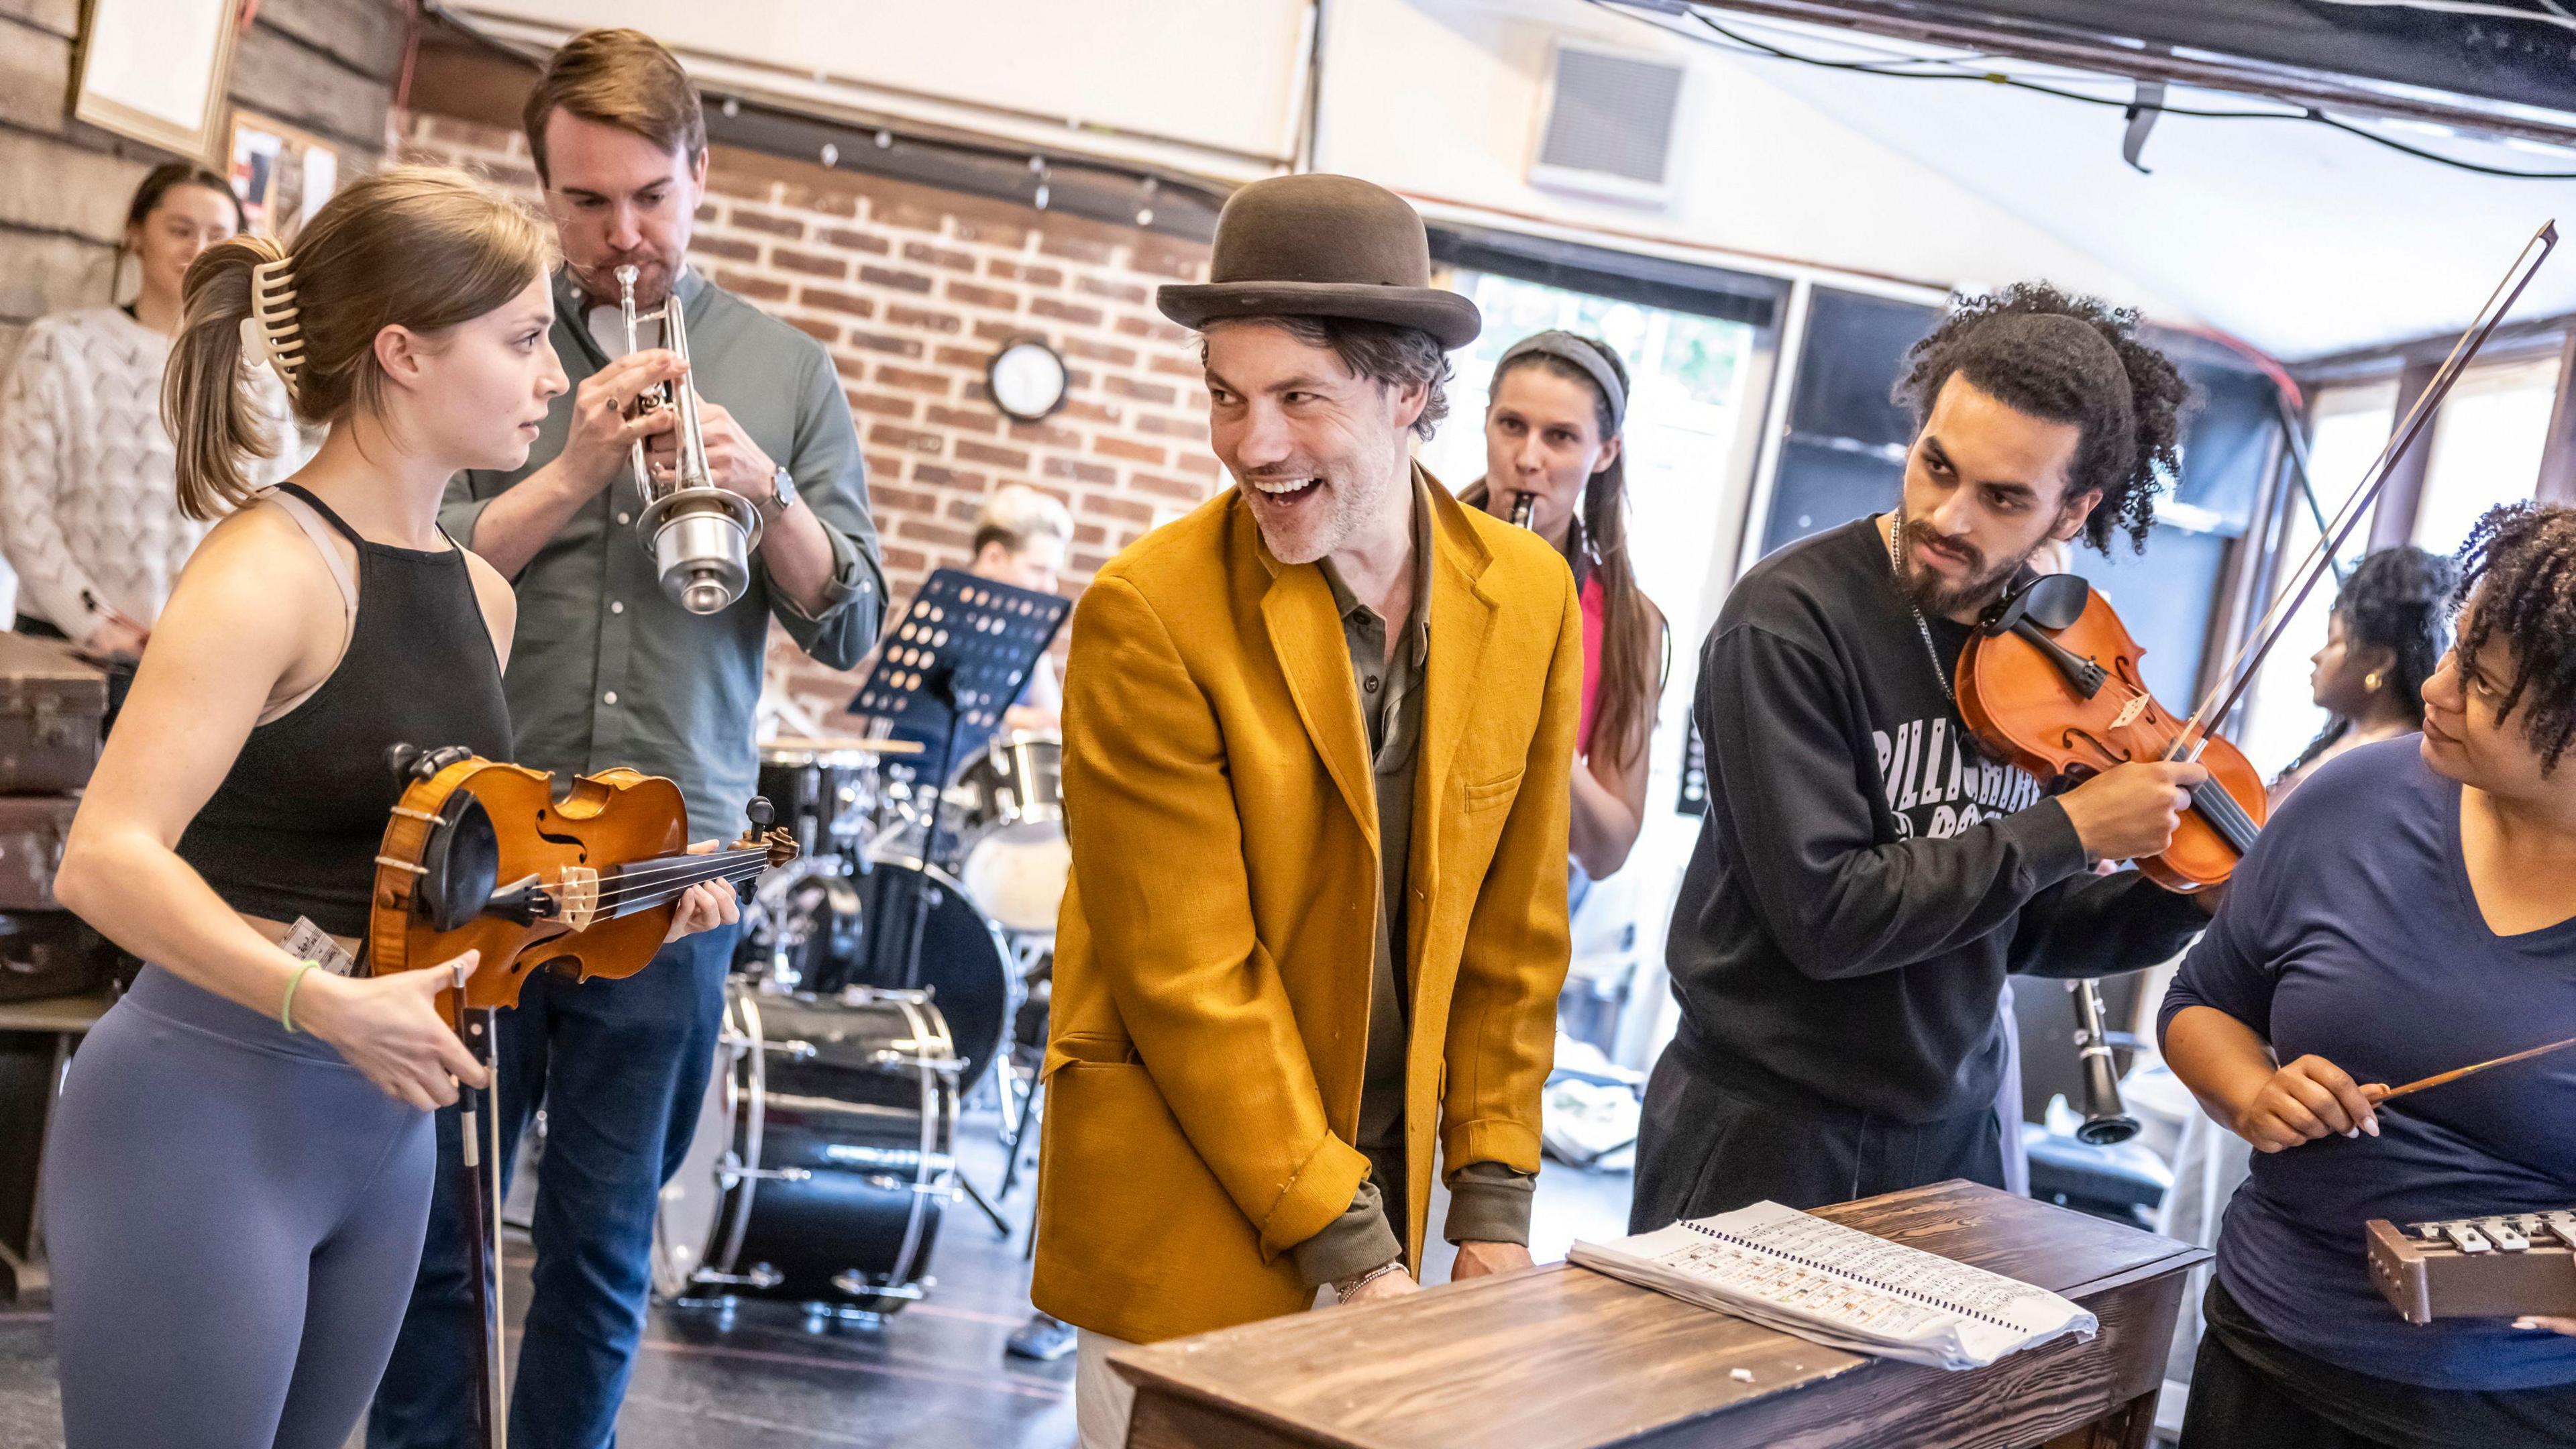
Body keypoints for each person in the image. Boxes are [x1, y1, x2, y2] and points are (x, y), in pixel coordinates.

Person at [39, 166, 736, 1449]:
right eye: (525, 341)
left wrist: (625, 913)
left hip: (381, 1131)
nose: (549, 378)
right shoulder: (266, 572)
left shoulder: (481, 596)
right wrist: (322, 1001)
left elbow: (432, 888)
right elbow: (102, 860)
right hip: (207, 1113)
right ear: (404, 353)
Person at [371, 30, 885, 1449]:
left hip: (673, 878)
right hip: (476, 854)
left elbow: (850, 628)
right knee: (435, 1235)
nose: (622, 237)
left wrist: (764, 485)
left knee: (600, 1253)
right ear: (541, 192)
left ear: (700, 176)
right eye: (587, 204)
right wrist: (574, 473)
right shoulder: (483, 351)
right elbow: (403, 576)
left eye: (651, 196)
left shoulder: (786, 371)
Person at [1030, 174, 1580, 1449]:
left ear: (1408, 395)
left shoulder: (1531, 598)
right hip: (1195, 1197)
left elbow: (1516, 931)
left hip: (1415, 1195)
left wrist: (1491, 1206)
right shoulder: (1149, 612)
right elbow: (1188, 977)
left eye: (1297, 399)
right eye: (1225, 395)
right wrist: (1355, 1250)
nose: (1250, 444)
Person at [1633, 284, 2218, 1230]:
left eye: (2002, 499)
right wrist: (2067, 827)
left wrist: (2179, 896)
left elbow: (2026, 929)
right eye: (1935, 466)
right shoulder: (1786, 624)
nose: (1947, 517)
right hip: (1766, 1128)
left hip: (1951, 1138)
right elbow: (1827, 915)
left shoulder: (2048, 653)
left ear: (2073, 513)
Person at [2160, 502, 2576, 1448]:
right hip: (2266, 1350)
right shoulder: (2355, 799)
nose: (2433, 686)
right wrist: (2255, 1091)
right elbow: (2202, 1004)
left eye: (2480, 683)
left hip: (2514, 1413)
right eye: (2454, 649)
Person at [0, 162, 305, 675]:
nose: (197, 248)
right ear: (136, 234)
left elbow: (272, 516)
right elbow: (18, 497)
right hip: (67, 644)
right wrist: (91, 621)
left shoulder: (258, 373)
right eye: (181, 230)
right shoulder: (62, 346)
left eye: (217, 235)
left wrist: (222, 625)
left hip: (203, 649)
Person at [1460, 330, 1666, 909]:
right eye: (1511, 426)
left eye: (1560, 437)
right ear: (1486, 424)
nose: (1528, 459)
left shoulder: (1631, 622)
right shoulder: (1407, 557)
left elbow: (1607, 851)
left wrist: (1531, 704)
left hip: (1508, 922)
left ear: (1604, 453)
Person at [2272, 545, 2457, 801]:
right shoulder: (2348, 736)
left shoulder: (2393, 762)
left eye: (2334, 642)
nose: (2317, 657)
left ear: (2380, 662)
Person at [968, 482, 1073, 732]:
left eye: (1053, 573)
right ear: (993, 557)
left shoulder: (1028, 636)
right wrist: (1016, 717)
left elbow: (1053, 723)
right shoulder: (934, 615)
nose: (1050, 587)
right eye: (1038, 569)